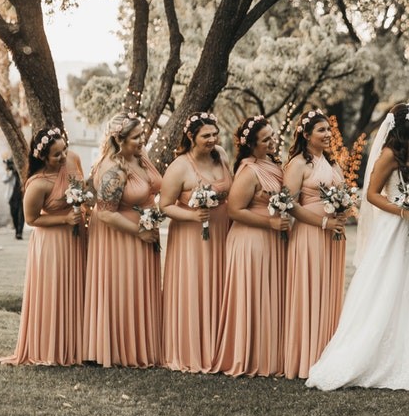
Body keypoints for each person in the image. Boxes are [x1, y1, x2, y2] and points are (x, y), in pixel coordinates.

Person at [306, 103, 409, 390]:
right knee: (390, 287)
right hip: (397, 228)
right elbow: (371, 194)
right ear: (407, 125)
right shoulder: (388, 154)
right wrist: (402, 210)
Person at [83, 112, 164, 368]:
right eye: (136, 136)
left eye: (142, 134)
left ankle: (142, 344)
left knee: (138, 285)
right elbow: (106, 213)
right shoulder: (113, 170)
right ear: (120, 139)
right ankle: (120, 348)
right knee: (122, 285)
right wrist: (138, 231)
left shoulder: (140, 157)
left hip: (141, 228)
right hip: (120, 236)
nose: (142, 140)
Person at [0, 128, 86, 366]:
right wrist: (65, 219)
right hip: (52, 244)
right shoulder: (37, 184)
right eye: (56, 155)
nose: (63, 157)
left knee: (77, 288)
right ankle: (52, 347)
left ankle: (79, 346)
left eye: (64, 150)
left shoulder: (74, 160)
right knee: (55, 292)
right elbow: (32, 220)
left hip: (78, 238)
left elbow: (84, 188)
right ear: (43, 158)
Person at [212, 116, 287, 377]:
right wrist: (270, 223)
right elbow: (234, 210)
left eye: (272, 136)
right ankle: (246, 353)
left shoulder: (273, 164)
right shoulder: (248, 171)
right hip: (250, 240)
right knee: (251, 294)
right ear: (252, 144)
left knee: (266, 294)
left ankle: (267, 351)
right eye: (266, 139)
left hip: (270, 239)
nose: (272, 141)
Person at [159, 112, 232, 373]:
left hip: (222, 229)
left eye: (215, 134)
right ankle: (191, 347)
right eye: (206, 136)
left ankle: (218, 346)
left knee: (220, 284)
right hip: (192, 236)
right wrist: (192, 214)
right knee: (196, 284)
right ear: (191, 137)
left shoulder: (222, 155)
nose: (212, 139)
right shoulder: (179, 166)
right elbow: (165, 205)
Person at [282, 108, 348, 379]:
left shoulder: (333, 163)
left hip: (335, 235)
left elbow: (342, 192)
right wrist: (323, 222)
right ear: (306, 134)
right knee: (310, 289)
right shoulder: (298, 164)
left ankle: (327, 353)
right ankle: (306, 357)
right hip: (310, 235)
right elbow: (289, 205)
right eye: (321, 130)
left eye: (328, 130)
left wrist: (342, 210)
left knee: (329, 289)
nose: (327, 134)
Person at [3, 156, 25, 240]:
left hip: (22, 197)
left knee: (21, 215)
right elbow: (4, 180)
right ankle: (17, 230)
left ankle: (19, 232)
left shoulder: (23, 172)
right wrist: (9, 172)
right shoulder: (10, 173)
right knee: (14, 214)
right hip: (12, 197)